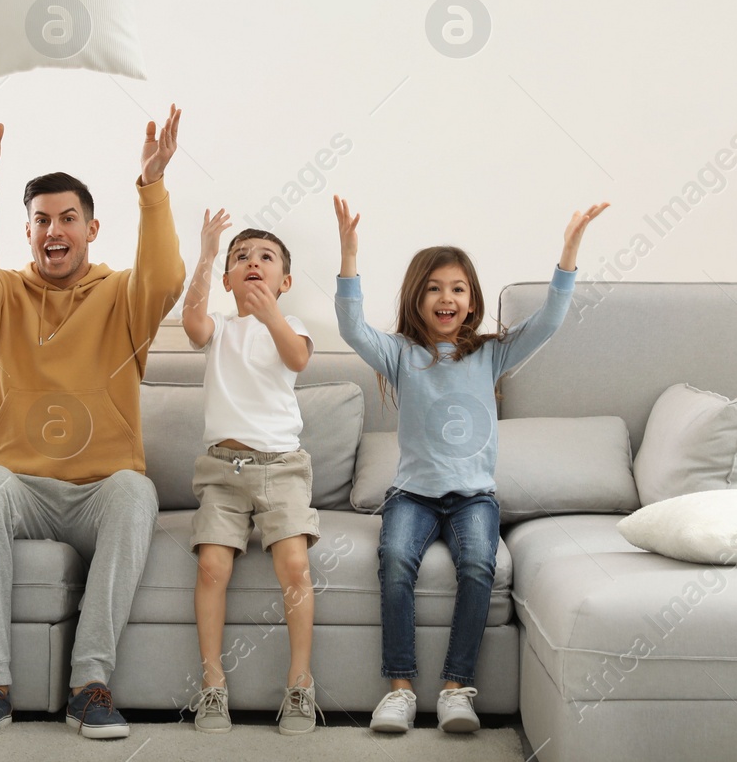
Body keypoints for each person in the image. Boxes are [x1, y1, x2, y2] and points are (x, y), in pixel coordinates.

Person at [0, 102, 185, 741]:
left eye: (68, 219)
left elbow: (166, 277)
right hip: (22, 489)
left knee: (137, 491)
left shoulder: (123, 298)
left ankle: (89, 686)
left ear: (91, 228)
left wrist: (153, 186)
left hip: (100, 489)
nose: (56, 230)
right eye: (42, 221)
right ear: (26, 232)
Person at [333, 194, 606, 735]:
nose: (446, 297)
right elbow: (350, 327)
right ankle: (401, 689)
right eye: (434, 288)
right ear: (417, 297)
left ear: (472, 299)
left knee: (482, 565)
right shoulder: (399, 354)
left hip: (474, 496)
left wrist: (569, 251)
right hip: (412, 493)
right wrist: (348, 256)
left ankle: (457, 688)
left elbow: (550, 320)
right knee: (393, 559)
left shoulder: (490, 353)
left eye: (457, 288)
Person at [181, 211, 318, 735]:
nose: (252, 263)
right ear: (228, 279)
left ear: (284, 282)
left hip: (281, 469)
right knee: (212, 566)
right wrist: (207, 252)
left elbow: (298, 359)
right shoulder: (221, 330)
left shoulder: (292, 326)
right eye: (242, 257)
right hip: (222, 471)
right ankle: (213, 684)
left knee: (294, 565)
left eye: (265, 258)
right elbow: (193, 323)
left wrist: (272, 317)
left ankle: (300, 683)